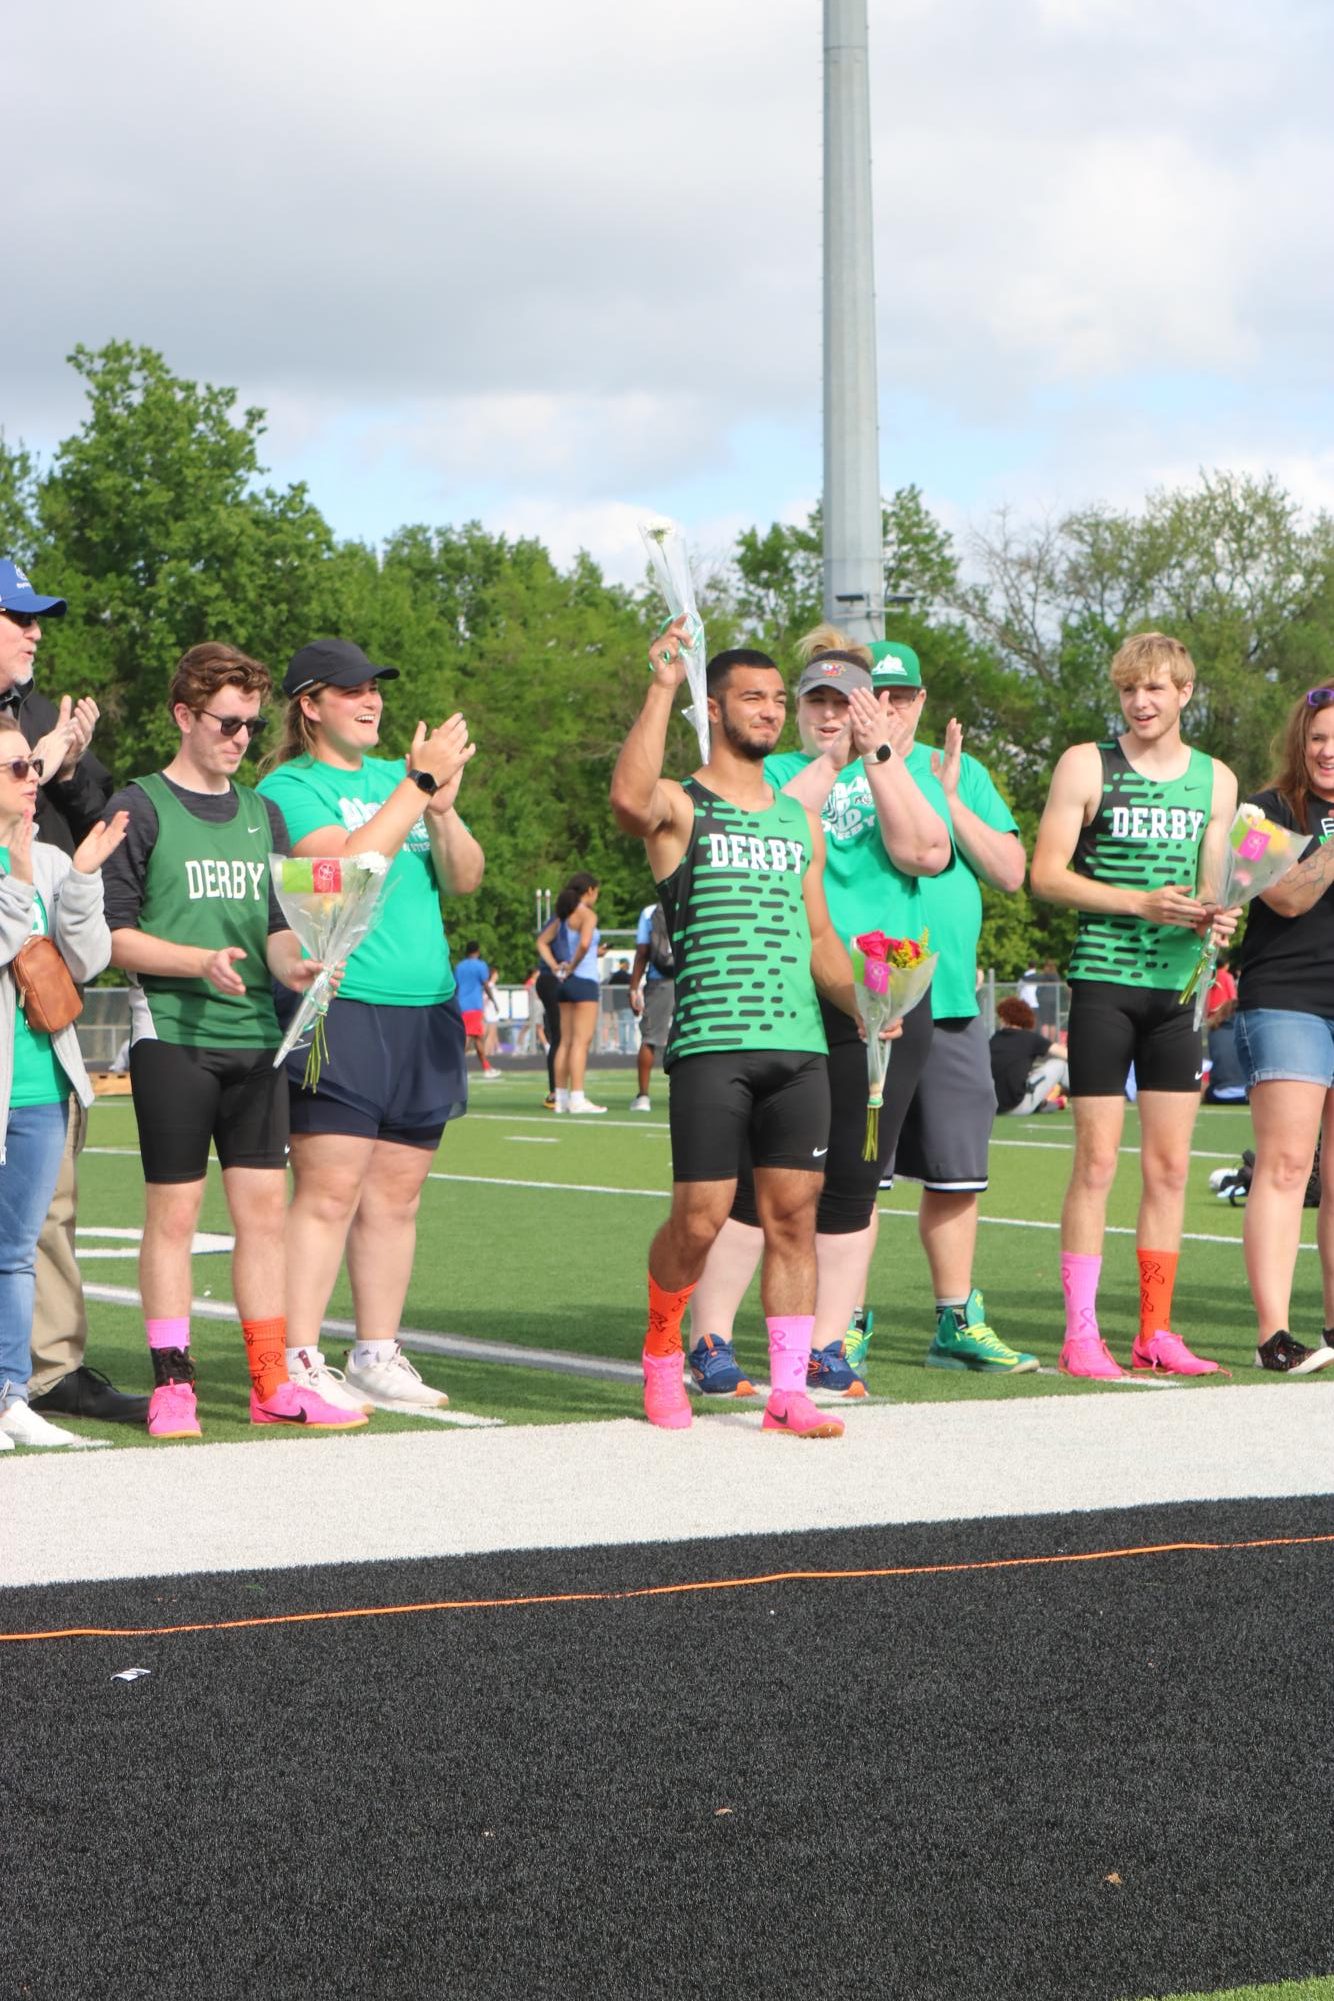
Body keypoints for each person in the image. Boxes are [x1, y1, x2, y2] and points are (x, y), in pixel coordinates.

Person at [103, 643, 365, 1438]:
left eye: (252, 724)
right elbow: (111, 936)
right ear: (184, 714)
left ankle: (268, 1381)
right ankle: (173, 1383)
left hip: (258, 1042)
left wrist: (302, 968)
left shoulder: (266, 814)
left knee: (262, 1215)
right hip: (174, 1038)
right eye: (227, 721)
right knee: (174, 1218)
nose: (241, 736)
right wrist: (195, 961)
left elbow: (279, 932)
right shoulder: (140, 805)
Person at [610, 620, 863, 1441]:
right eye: (753, 698)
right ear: (713, 709)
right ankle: (660, 1352)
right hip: (715, 1044)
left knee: (796, 1217)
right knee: (701, 1218)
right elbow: (627, 800)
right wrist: (658, 686)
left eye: (777, 700)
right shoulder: (683, 805)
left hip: (800, 1048)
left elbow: (821, 938)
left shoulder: (801, 822)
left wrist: (870, 1003)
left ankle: (788, 1390)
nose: (771, 711)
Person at [681, 628, 948, 1399]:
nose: (833, 715)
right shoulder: (778, 773)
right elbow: (771, 832)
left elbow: (924, 851)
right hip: (790, 995)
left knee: (856, 1178)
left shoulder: (899, 768)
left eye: (848, 703)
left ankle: (829, 1345)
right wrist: (835, 760)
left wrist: (879, 757)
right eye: (819, 702)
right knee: (754, 1182)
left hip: (890, 997)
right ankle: (711, 1338)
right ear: (798, 712)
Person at [257, 637, 480, 1412]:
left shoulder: (401, 781)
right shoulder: (291, 786)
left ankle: (376, 1351)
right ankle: (299, 1353)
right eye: (351, 689)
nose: (372, 699)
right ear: (309, 704)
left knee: (399, 1193)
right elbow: (344, 870)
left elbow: (466, 877)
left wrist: (442, 811)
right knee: (329, 1188)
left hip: (425, 1005)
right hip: (343, 1004)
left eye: (376, 687)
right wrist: (418, 786)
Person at [1031, 631, 1237, 1379]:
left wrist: (1220, 913)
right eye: (1128, 689)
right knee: (1093, 1162)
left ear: (1185, 693)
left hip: (1178, 994)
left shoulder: (1217, 779)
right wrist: (1136, 903)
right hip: (1106, 983)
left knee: (1172, 1167)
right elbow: (1045, 874)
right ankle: (1080, 1334)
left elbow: (1213, 882)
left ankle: (1155, 1330)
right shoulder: (1088, 763)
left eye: (1155, 688)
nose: (1141, 701)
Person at [0, 560, 145, 1427]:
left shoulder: (45, 716)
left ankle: (44, 1371)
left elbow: (97, 821)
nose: (37, 631)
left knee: (44, 1205)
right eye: (19, 616)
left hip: (45, 975)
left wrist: (63, 766)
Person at [868, 640, 1039, 1375]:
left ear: (921, 701)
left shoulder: (958, 768)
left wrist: (947, 797)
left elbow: (1009, 870)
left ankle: (957, 1319)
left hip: (953, 1001)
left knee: (958, 1170)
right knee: (859, 1172)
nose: (889, 708)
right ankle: (840, 1323)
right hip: (866, 1002)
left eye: (901, 696)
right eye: (874, 695)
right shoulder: (832, 768)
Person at [0, 731, 127, 1447]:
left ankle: (11, 1394)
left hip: (43, 1085)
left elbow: (88, 959)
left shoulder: (48, 859)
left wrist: (77, 880)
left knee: (17, 1250)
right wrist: (18, 883)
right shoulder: (23, 868)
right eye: (20, 767)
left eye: (34, 764)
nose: (34, 779)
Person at [1231, 685, 1334, 1373]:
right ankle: (1275, 1334)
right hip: (1287, 996)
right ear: (1300, 741)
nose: (1328, 751)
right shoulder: (1261, 812)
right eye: (1319, 737)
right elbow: (1286, 897)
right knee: (1289, 1165)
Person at [536, 874, 606, 1115]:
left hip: (564, 983)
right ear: (589, 890)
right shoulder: (587, 915)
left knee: (564, 1041)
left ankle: (561, 1097)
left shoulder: (563, 917)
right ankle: (577, 1097)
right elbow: (586, 944)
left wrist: (557, 966)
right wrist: (573, 965)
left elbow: (542, 942)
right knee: (580, 1041)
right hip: (583, 980)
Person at [628, 900, 675, 1113]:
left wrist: (634, 987)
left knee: (650, 1038)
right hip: (693, 979)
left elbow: (642, 951)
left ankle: (643, 1095)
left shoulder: (650, 911)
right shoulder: (694, 901)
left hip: (660, 982)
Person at [990, 997, 1068, 1115]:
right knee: (1059, 1065)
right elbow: (1066, 1055)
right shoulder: (1030, 1038)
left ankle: (1045, 1104)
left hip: (992, 1108)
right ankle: (1090, 1095)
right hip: (1017, 1106)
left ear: (1004, 1018)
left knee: (1032, 1074)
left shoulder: (993, 1040)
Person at [455, 941, 502, 1079]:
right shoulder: (480, 965)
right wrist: (493, 1001)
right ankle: (458, 1069)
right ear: (478, 951)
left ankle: (486, 1068)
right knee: (469, 1037)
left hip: (461, 1005)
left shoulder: (459, 966)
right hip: (474, 1005)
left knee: (477, 1037)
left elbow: (455, 985)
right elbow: (486, 984)